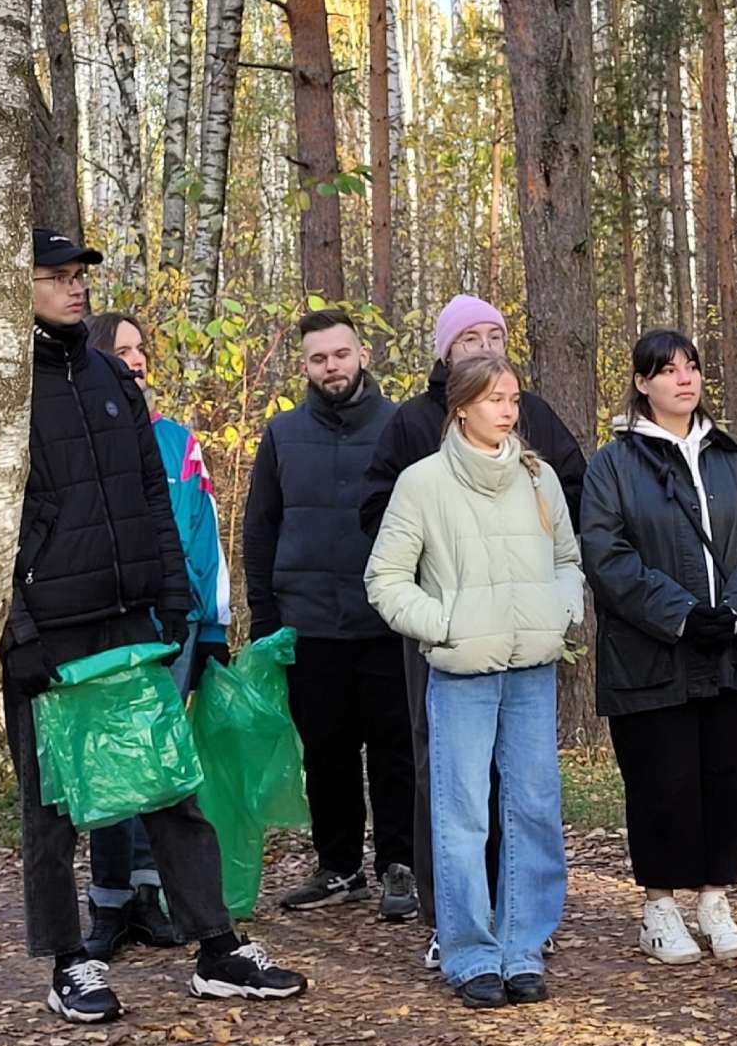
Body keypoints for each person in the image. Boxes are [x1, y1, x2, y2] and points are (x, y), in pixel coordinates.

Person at [4, 228, 305, 1024]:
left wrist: (175, 600)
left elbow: (150, 498)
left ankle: (217, 949)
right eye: (57, 277)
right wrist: (17, 633)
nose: (76, 289)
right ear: (19, 285)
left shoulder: (111, 378)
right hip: (49, 635)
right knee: (53, 806)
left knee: (173, 786)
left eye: (80, 277)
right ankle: (70, 963)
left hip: (132, 623)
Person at [360, 294, 587, 969]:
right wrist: (445, 627)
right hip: (460, 672)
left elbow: (568, 559)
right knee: (462, 815)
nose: (509, 411)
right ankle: (467, 950)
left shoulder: (538, 477)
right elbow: (385, 579)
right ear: (461, 404)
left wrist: (558, 610)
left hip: (530, 668)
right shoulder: (422, 482)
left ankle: (522, 946)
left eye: (513, 398)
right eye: (495, 399)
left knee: (535, 812)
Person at [582, 330, 737, 966]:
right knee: (659, 781)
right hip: (650, 656)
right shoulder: (613, 465)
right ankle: (659, 906)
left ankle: (715, 900)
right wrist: (683, 616)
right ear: (642, 384)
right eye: (666, 371)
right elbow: (607, 555)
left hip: (727, 652)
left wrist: (736, 615)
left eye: (691, 366)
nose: (683, 379)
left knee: (723, 777)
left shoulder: (733, 457)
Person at [243, 309, 416, 920]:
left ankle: (401, 865)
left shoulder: (402, 427)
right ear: (305, 367)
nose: (331, 367)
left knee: (398, 749)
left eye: (340, 354)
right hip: (309, 624)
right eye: (318, 358)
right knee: (327, 751)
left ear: (362, 354)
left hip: (390, 624)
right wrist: (265, 619)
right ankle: (339, 867)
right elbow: (260, 528)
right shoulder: (283, 434)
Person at [80, 312, 234, 960]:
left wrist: (215, 624)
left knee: (162, 766)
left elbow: (206, 534)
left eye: (142, 349)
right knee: (113, 766)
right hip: (107, 631)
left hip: (179, 627)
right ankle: (109, 902)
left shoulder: (179, 442)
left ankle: (150, 896)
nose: (137, 360)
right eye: (122, 351)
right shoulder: (80, 438)